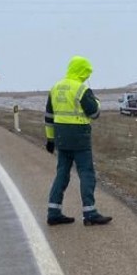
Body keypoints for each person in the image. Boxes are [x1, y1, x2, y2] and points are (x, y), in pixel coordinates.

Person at [45, 55, 112, 227]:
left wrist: (50, 139)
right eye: (87, 73)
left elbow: (49, 117)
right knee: (86, 174)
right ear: (82, 71)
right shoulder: (81, 89)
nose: (88, 76)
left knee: (62, 174)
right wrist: (95, 100)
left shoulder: (55, 87)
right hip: (79, 138)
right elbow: (95, 113)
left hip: (61, 138)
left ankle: (53, 212)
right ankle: (90, 213)